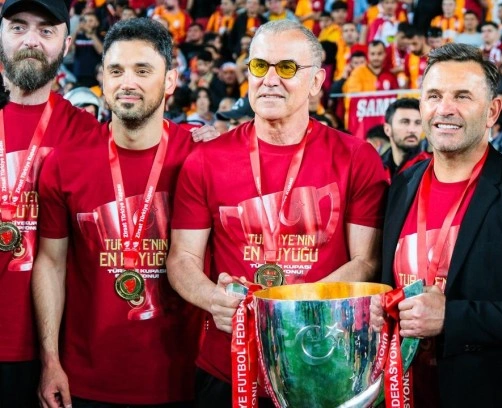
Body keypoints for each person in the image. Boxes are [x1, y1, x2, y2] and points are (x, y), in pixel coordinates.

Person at [166, 20, 388, 406]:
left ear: (316, 81)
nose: (270, 79)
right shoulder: (205, 160)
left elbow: (366, 261)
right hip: (230, 366)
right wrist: (212, 298)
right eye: (259, 66)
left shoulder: (357, 157)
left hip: (323, 366)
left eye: (286, 68)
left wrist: (293, 311)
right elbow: (182, 257)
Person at [380, 42, 502, 407]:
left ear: (492, 111)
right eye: (434, 96)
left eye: (462, 96)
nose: (445, 108)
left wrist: (450, 317)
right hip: (407, 392)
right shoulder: (403, 185)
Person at [33, 17, 201, 408]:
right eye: (116, 70)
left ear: (171, 80)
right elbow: (51, 264)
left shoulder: (201, 156)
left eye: (143, 71)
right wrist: (50, 360)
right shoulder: (65, 162)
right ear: (102, 79)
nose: (127, 82)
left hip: (183, 380)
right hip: (85, 382)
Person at [0, 0, 102, 406]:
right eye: (18, 26)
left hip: (49, 355)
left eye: (46, 30)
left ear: (67, 44)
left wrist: (201, 138)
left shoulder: (88, 133)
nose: (31, 40)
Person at [380, 97, 428, 181]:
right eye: (405, 122)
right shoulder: (377, 167)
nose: (412, 130)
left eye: (418, 123)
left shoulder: (431, 166)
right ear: (387, 129)